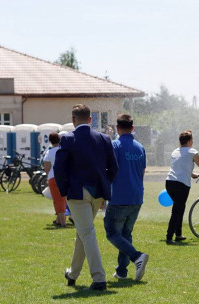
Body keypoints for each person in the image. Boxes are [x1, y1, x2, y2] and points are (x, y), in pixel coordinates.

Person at [54, 104, 118, 291]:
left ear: (73, 120)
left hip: (77, 193)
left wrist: (64, 190)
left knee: (86, 233)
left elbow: (59, 168)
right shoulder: (104, 139)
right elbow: (113, 168)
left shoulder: (67, 138)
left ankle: (99, 278)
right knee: (83, 232)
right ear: (90, 119)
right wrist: (104, 186)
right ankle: (73, 273)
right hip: (97, 193)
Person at [105, 113, 149, 281]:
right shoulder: (140, 147)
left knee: (111, 232)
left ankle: (137, 256)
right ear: (132, 128)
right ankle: (122, 272)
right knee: (125, 234)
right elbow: (142, 173)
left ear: (117, 128)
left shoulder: (115, 146)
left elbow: (108, 171)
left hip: (119, 197)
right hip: (136, 197)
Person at [164, 130, 199, 245]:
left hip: (169, 182)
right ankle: (169, 237)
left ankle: (178, 234)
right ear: (189, 141)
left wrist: (192, 174)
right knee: (177, 210)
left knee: (180, 208)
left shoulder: (175, 151)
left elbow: (180, 166)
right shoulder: (192, 151)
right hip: (181, 185)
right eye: (192, 140)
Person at [42, 132, 67, 228]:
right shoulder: (63, 150)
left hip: (53, 177)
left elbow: (47, 167)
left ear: (50, 141)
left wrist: (48, 176)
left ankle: (62, 222)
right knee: (63, 199)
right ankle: (59, 220)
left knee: (57, 200)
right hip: (64, 176)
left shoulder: (49, 152)